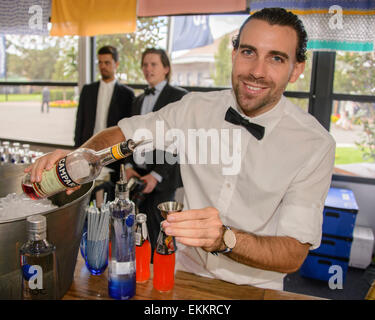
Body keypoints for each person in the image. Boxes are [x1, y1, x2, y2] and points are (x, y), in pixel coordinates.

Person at [26, 8, 335, 290]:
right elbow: (124, 132)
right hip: (181, 273)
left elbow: (293, 253)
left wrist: (225, 239)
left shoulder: (314, 145)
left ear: (296, 69)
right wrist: (75, 158)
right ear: (235, 53)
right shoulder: (194, 108)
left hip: (256, 288)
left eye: (276, 58)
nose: (256, 70)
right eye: (249, 51)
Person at [125, 48, 187, 259]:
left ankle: (164, 273)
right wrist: (129, 167)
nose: (148, 69)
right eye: (145, 64)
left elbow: (178, 141)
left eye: (154, 64)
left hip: (163, 176)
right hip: (138, 174)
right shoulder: (138, 100)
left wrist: (156, 175)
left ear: (166, 68)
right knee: (138, 230)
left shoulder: (179, 97)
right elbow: (129, 136)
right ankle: (144, 273)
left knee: (161, 230)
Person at [74, 45, 135, 192]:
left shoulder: (127, 94)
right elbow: (79, 122)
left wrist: (126, 162)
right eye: (100, 62)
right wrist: (77, 151)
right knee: (86, 193)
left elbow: (128, 129)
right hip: (88, 152)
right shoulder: (88, 90)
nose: (103, 66)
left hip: (114, 155)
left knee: (110, 197)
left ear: (116, 64)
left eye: (107, 63)